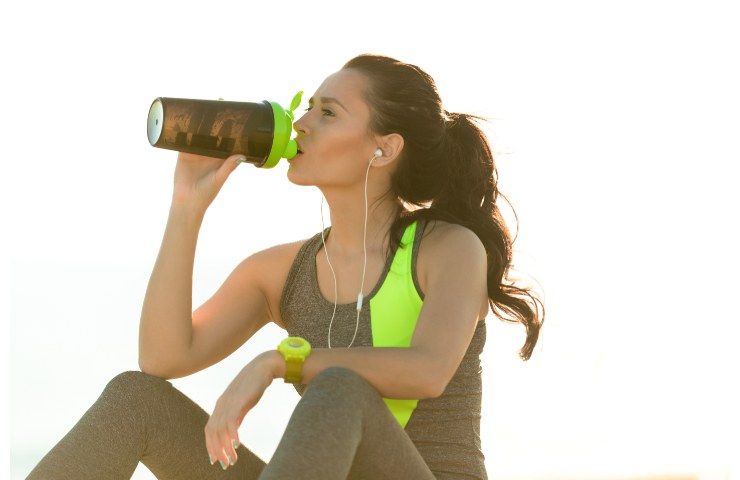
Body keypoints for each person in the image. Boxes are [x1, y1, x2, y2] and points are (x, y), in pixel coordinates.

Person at [26, 53, 544, 480]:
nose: (300, 124)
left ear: (383, 149)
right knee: (133, 398)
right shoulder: (283, 271)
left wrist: (280, 362)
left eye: (328, 113)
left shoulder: (447, 249)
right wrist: (187, 208)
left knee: (340, 388)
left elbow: (428, 371)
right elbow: (162, 358)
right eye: (308, 108)